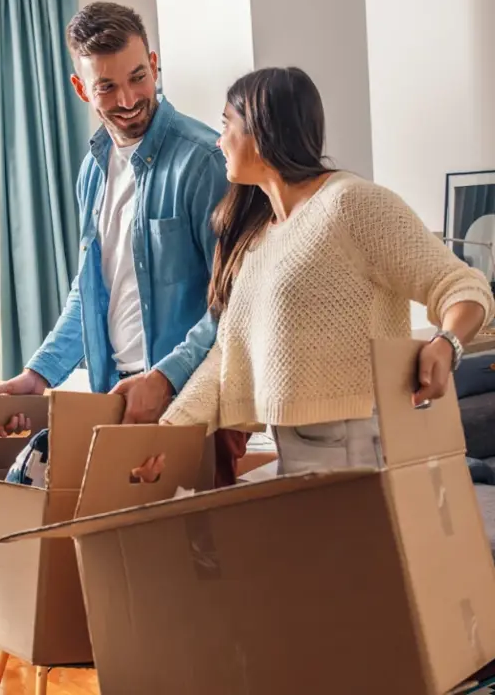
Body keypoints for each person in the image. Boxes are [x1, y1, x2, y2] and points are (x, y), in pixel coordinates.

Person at [162, 66, 495, 473]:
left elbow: (461, 285)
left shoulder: (351, 204)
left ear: (260, 130)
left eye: (226, 124)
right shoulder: (258, 239)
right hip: (295, 456)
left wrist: (447, 344)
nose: (219, 140)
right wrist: (168, 432)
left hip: (363, 451)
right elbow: (226, 357)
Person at [0, 2, 229, 442]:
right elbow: (91, 291)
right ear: (82, 89)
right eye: (107, 87)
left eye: (138, 77)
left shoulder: (205, 160)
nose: (128, 100)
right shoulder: (93, 171)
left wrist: (165, 380)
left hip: (194, 405)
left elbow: (233, 301)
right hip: (116, 399)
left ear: (154, 65)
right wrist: (39, 373)